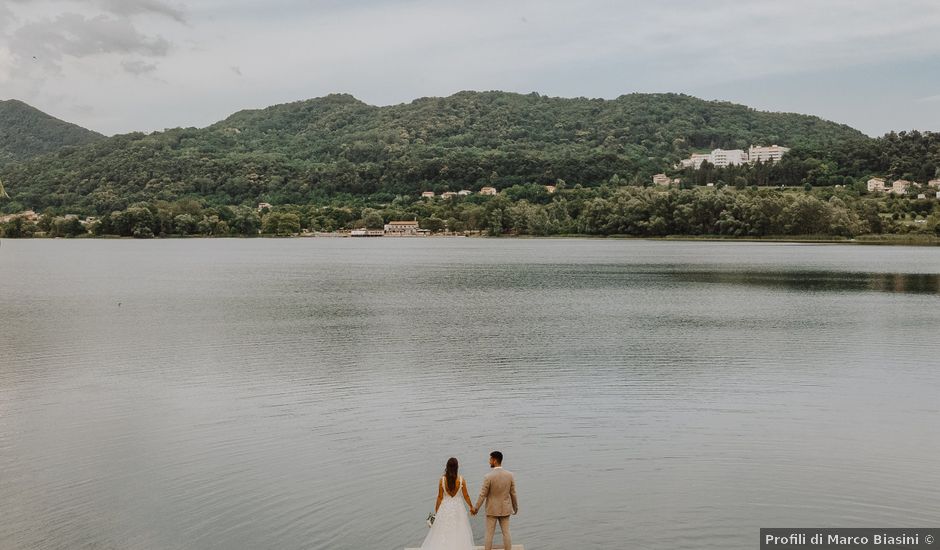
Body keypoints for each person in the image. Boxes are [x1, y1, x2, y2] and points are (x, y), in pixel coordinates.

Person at [419, 457, 475, 550]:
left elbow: (440, 497)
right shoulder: (461, 480)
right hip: (458, 508)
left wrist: (437, 512)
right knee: (459, 529)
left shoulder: (442, 480)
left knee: (442, 530)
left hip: (445, 508)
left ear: (447, 467)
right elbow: (466, 496)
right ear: (457, 467)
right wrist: (471, 507)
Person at [472, 451, 518, 550]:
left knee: (489, 534)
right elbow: (513, 493)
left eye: (490, 460)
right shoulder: (510, 475)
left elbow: (482, 495)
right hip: (505, 508)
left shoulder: (488, 477)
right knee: (506, 533)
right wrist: (515, 507)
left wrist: (476, 508)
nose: (489, 462)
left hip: (492, 509)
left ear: (495, 460)